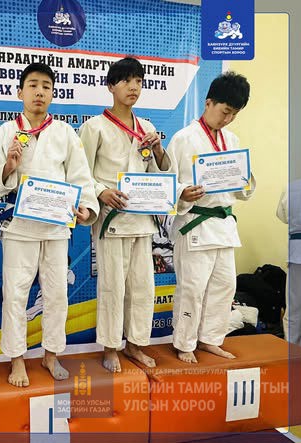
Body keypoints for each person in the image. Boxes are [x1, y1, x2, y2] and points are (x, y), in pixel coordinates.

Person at [0, 62, 99, 387]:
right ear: (20, 92)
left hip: (57, 227)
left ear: (53, 93)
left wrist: (86, 207)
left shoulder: (65, 133)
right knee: (16, 294)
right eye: (33, 85)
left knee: (57, 294)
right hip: (19, 228)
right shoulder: (5, 132)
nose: (39, 92)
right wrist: (8, 167)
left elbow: (81, 176)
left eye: (46, 86)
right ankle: (17, 359)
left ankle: (51, 354)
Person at [79, 57, 172, 372]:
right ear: (111, 86)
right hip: (112, 219)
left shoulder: (147, 127)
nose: (133, 87)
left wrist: (158, 150)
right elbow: (80, 173)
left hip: (142, 221)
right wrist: (100, 191)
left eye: (139, 81)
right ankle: (110, 347)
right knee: (112, 287)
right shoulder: (94, 127)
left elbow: (161, 173)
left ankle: (135, 344)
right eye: (126, 81)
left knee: (143, 287)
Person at [167, 72, 254, 363]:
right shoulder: (183, 139)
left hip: (224, 225)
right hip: (194, 223)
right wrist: (182, 192)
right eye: (225, 111)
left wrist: (244, 180)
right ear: (208, 103)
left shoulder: (232, 139)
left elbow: (242, 189)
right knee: (192, 288)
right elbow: (168, 181)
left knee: (224, 286)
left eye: (234, 114)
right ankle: (184, 342)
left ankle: (210, 339)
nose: (228, 119)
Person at [277, 180, 301, 346]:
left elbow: (281, 215)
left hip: (296, 253)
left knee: (294, 309)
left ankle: (292, 349)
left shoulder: (291, 187)